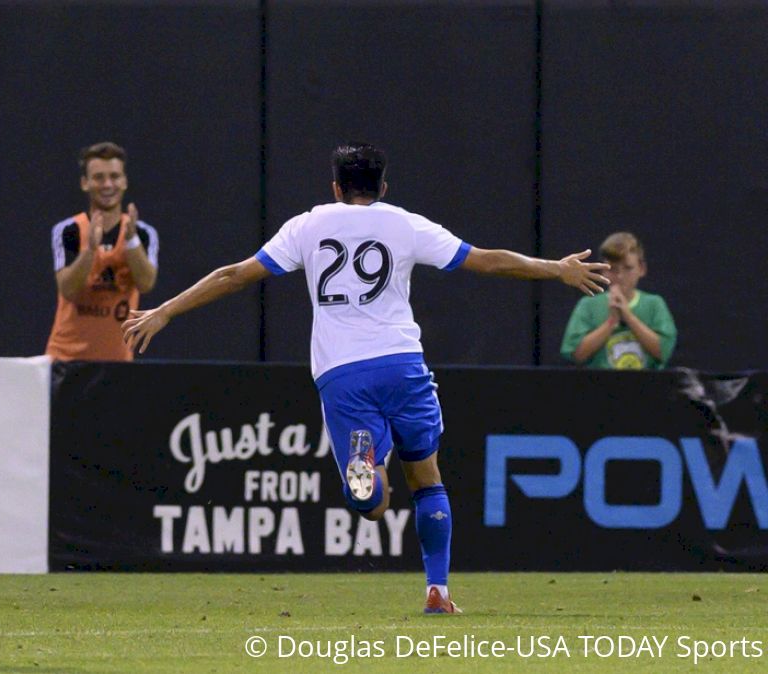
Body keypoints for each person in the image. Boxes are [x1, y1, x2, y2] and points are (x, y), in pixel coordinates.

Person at [123, 142, 609, 614]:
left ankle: (367, 478)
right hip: (402, 363)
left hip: (342, 372)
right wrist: (557, 269)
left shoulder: (308, 226)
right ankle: (437, 590)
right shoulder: (403, 223)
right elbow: (487, 260)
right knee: (426, 477)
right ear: (383, 184)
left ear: (335, 187)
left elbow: (234, 275)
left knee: (373, 506)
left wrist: (166, 311)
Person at [46, 141, 159, 361]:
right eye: (98, 177)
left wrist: (130, 241)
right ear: (85, 183)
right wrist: (90, 250)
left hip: (117, 361)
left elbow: (145, 284)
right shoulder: (69, 231)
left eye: (114, 176)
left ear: (124, 181)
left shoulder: (142, 233)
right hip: (66, 361)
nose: (107, 184)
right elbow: (68, 290)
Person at [560, 231, 677, 369]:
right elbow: (576, 355)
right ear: (603, 270)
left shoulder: (655, 304)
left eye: (628, 268)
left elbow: (663, 352)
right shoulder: (588, 305)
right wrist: (611, 321)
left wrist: (627, 315)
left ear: (642, 269)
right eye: (613, 269)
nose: (620, 276)